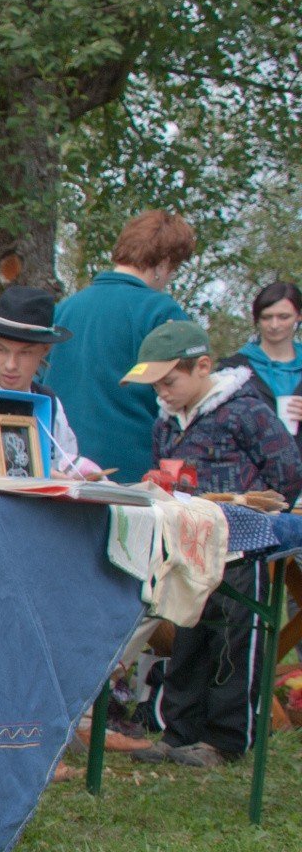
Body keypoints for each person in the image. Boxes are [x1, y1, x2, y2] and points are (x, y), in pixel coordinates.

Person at [122, 320, 302, 768]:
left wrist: (260, 511)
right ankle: (178, 730)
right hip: (188, 548)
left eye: (169, 381)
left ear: (202, 366)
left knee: (236, 636)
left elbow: (287, 470)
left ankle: (224, 739)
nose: (162, 392)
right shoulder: (166, 422)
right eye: (156, 385)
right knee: (188, 633)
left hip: (243, 546)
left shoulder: (246, 411)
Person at [44, 210, 196, 480]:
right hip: (132, 471)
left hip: (62, 466)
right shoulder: (160, 312)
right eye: (174, 269)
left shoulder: (65, 308)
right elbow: (185, 394)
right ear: (163, 265)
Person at [0, 284, 101, 477]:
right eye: (1, 350)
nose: (11, 364)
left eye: (25, 353)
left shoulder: (48, 402)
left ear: (45, 350)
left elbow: (67, 461)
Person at [219, 281, 302, 433]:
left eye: (283, 317)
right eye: (266, 317)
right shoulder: (232, 369)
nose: (274, 325)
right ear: (256, 319)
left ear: (299, 316)